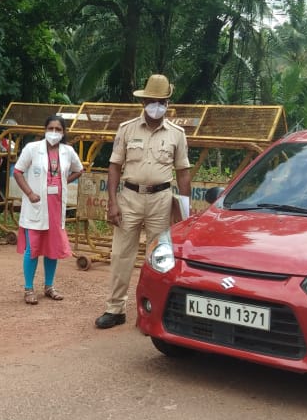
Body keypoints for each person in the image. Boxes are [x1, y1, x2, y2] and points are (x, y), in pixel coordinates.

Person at [95, 74, 192, 329]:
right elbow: (114, 166)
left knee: (158, 257)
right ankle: (115, 309)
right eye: (152, 101)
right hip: (129, 198)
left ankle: (154, 311)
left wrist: (185, 210)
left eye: (161, 102)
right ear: (143, 102)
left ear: (167, 104)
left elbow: (183, 172)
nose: (156, 106)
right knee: (121, 254)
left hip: (161, 200)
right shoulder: (127, 129)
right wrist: (112, 202)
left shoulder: (177, 134)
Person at [12, 115, 84, 304]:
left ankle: (49, 286)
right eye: (50, 128)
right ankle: (28, 288)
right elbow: (18, 172)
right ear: (45, 130)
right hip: (36, 205)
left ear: (63, 132)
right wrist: (29, 193)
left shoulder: (68, 151)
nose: (54, 132)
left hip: (56, 206)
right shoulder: (32, 148)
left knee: (53, 248)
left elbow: (79, 170)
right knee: (33, 248)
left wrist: (63, 182)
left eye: (58, 129)